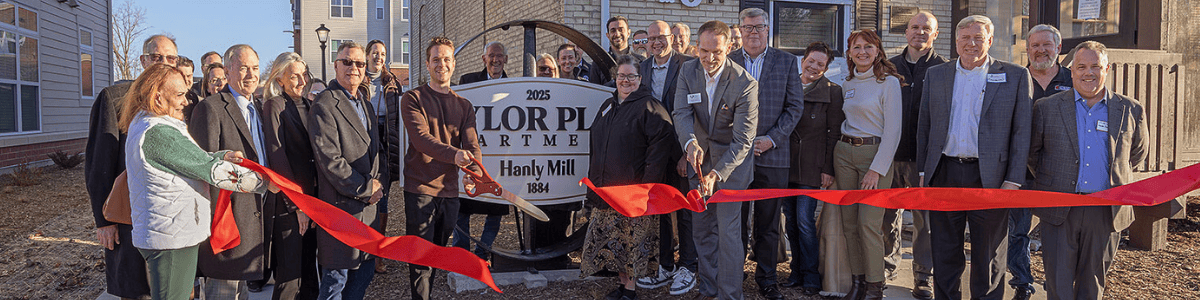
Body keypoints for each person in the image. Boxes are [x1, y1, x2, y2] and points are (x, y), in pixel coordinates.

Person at [119, 63, 275, 300]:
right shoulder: (159, 132)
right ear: (158, 97)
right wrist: (263, 182)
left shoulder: (148, 124)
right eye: (179, 95)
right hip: (171, 238)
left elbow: (189, 160)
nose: (186, 101)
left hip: (169, 232)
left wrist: (221, 156)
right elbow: (210, 170)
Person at [917, 15, 1032, 300]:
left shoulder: (1016, 75)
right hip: (944, 172)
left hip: (990, 176)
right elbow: (925, 126)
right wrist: (923, 172)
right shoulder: (937, 75)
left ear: (990, 41)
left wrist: (1013, 180)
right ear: (956, 42)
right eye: (965, 38)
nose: (971, 44)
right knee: (944, 250)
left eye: (978, 38)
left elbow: (1022, 132)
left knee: (989, 254)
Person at [1030, 40, 1146, 300]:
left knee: (1092, 285)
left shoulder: (1130, 109)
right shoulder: (1046, 107)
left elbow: (1136, 154)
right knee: (1058, 285)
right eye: (1081, 67)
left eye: (1095, 66)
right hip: (1059, 209)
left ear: (1107, 69)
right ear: (1071, 71)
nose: (1088, 73)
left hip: (1106, 211)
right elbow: (1033, 155)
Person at [86, 34, 177, 300]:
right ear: (143, 60)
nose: (163, 63)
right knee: (137, 291)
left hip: (171, 217)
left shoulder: (184, 99)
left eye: (170, 58)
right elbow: (99, 163)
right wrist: (104, 221)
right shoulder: (115, 98)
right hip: (129, 217)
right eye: (157, 57)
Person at [672, 20, 758, 300]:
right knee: (702, 230)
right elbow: (682, 113)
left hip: (731, 167)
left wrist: (717, 174)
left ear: (729, 48)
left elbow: (743, 140)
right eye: (704, 51)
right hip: (699, 162)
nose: (709, 58)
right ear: (697, 47)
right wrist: (689, 143)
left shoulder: (745, 83)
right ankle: (709, 289)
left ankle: (730, 294)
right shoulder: (688, 70)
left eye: (717, 52)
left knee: (728, 234)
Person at [582, 54, 675, 300]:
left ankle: (631, 291)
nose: (625, 81)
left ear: (640, 79)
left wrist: (645, 188)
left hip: (632, 193)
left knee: (630, 243)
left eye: (631, 76)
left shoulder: (650, 107)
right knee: (615, 244)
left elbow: (659, 150)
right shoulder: (608, 105)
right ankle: (623, 285)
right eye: (621, 76)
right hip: (607, 190)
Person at [727, 8, 804, 300]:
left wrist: (772, 139)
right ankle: (733, 275)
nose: (754, 32)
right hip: (735, 157)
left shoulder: (786, 62)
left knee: (769, 223)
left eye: (759, 27)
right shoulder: (728, 61)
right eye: (748, 27)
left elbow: (794, 107)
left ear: (768, 29)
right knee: (734, 221)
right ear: (740, 31)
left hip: (773, 155)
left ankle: (767, 279)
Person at [189, 44, 273, 299]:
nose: (251, 74)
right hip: (226, 223)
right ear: (227, 71)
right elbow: (205, 168)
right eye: (244, 68)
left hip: (253, 219)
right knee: (222, 292)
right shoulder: (211, 108)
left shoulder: (259, 108)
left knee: (242, 293)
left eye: (255, 68)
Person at [401, 36, 484, 300]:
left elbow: (472, 145)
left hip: (449, 192)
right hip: (420, 189)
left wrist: (474, 174)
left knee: (435, 255)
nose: (442, 64)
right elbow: (421, 140)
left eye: (446, 59)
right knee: (420, 259)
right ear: (427, 64)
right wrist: (456, 155)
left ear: (454, 63)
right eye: (436, 59)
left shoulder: (464, 105)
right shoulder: (412, 98)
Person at [833, 29, 903, 300]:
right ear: (849, 53)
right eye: (856, 47)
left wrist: (876, 169)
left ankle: (875, 286)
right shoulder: (847, 83)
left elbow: (893, 131)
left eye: (868, 47)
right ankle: (858, 282)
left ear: (878, 51)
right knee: (849, 224)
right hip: (844, 154)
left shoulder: (888, 83)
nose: (862, 52)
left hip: (874, 155)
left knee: (868, 224)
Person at [309, 41, 382, 300]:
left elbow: (377, 152)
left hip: (368, 212)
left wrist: (379, 185)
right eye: (347, 62)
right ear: (336, 65)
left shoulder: (366, 104)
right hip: (342, 210)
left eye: (359, 63)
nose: (354, 68)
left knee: (362, 278)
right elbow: (330, 161)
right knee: (335, 283)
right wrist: (366, 189)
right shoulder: (325, 104)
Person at [884, 11, 947, 300]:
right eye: (915, 27)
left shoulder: (943, 69)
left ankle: (923, 276)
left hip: (926, 160)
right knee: (887, 216)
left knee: (926, 223)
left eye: (926, 28)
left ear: (935, 34)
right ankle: (887, 266)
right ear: (906, 32)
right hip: (891, 155)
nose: (920, 32)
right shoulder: (889, 67)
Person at [634, 19, 698, 297]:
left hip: (681, 151)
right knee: (660, 210)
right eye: (651, 38)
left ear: (671, 38)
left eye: (661, 37)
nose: (656, 42)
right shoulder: (642, 68)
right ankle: (665, 266)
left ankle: (688, 266)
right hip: (653, 153)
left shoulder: (689, 65)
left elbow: (696, 111)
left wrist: (686, 152)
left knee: (684, 209)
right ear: (646, 42)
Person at [1011, 23, 1072, 300]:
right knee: (1018, 231)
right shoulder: (1016, 78)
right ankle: (1022, 283)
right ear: (1027, 49)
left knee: (1058, 233)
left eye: (1047, 44)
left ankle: (1057, 282)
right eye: (1035, 45)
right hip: (1021, 169)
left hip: (1061, 171)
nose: (1041, 50)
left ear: (1058, 48)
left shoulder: (1073, 79)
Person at [782, 41, 845, 297]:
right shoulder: (788, 85)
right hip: (785, 164)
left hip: (812, 166)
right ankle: (795, 272)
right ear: (803, 60)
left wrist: (828, 168)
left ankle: (811, 276)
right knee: (790, 221)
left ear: (826, 68)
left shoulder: (833, 92)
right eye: (811, 61)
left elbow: (834, 134)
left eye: (820, 64)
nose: (814, 67)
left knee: (805, 221)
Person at [261, 52, 322, 299]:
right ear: (280, 79)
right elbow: (277, 156)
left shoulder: (310, 105)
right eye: (294, 76)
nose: (301, 81)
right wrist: (297, 205)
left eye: (304, 75)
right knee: (290, 278)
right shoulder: (274, 106)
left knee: (309, 274)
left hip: (314, 201)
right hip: (290, 205)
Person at [450, 41, 508, 261]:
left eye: (499, 56)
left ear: (505, 59)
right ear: (484, 59)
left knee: (496, 209)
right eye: (491, 55)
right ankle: (461, 255)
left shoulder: (514, 85)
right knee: (463, 207)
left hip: (500, 159)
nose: (495, 60)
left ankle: (482, 253)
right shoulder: (468, 82)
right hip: (473, 155)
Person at [365, 39, 406, 275]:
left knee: (383, 197)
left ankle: (377, 254)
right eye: (374, 52)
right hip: (364, 138)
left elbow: (398, 117)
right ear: (367, 55)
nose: (378, 57)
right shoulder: (359, 80)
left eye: (382, 53)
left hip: (386, 139)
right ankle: (361, 249)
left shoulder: (392, 82)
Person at [590, 15, 645, 85]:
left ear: (628, 33)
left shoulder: (641, 61)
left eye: (621, 30)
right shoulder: (598, 64)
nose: (617, 34)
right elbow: (594, 90)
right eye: (613, 31)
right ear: (608, 35)